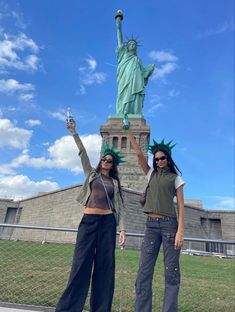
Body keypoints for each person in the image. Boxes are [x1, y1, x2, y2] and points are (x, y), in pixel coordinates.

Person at [55, 119, 126, 312]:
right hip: (89, 221)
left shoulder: (115, 183)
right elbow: (82, 154)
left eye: (110, 161)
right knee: (80, 265)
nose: (106, 162)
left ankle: (101, 308)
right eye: (104, 159)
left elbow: (120, 206)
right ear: (101, 160)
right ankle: (69, 308)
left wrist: (122, 230)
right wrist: (74, 133)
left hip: (108, 223)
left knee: (105, 268)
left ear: (113, 165)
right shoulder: (91, 175)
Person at [127, 129, 185, 312]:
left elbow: (181, 206)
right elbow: (138, 153)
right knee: (144, 272)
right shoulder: (150, 174)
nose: (159, 161)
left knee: (171, 273)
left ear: (168, 159)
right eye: (157, 158)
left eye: (162, 158)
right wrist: (128, 133)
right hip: (151, 226)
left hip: (170, 226)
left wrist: (180, 231)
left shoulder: (176, 178)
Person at [115, 10, 155, 115]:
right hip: (125, 81)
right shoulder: (123, 54)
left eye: (134, 44)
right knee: (124, 97)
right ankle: (123, 115)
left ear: (136, 47)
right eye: (130, 43)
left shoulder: (138, 60)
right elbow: (119, 38)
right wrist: (119, 24)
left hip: (136, 84)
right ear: (127, 46)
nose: (132, 45)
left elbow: (142, 76)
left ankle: (135, 113)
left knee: (136, 96)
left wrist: (148, 72)